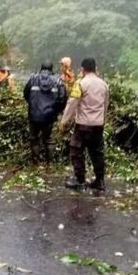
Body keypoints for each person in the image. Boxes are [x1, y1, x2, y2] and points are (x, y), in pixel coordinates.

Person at [60, 58, 109, 194]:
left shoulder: (80, 83)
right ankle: (100, 181)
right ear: (95, 68)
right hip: (98, 125)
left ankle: (80, 179)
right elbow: (105, 105)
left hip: (83, 124)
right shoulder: (104, 85)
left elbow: (72, 103)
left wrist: (64, 121)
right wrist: (102, 120)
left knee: (77, 150)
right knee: (97, 153)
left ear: (82, 69)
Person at [23, 61, 68, 164]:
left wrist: (32, 106)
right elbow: (63, 98)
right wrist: (57, 111)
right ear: (52, 69)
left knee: (34, 138)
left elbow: (25, 94)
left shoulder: (33, 79)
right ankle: (50, 163)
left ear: (41, 67)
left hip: (34, 115)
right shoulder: (58, 81)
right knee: (48, 139)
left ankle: (36, 162)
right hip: (49, 115)